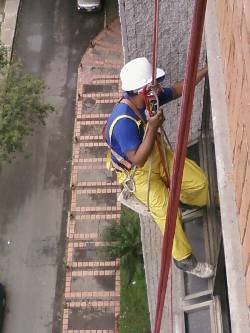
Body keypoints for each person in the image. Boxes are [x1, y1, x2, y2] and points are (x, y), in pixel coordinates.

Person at [105, 57, 214, 278]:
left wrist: (206, 69)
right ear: (141, 90)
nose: (159, 88)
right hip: (139, 175)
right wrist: (153, 126)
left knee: (199, 182)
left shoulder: (147, 99)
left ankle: (201, 201)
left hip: (158, 154)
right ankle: (185, 260)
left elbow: (177, 89)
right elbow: (138, 160)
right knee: (168, 214)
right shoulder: (122, 122)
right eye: (153, 86)